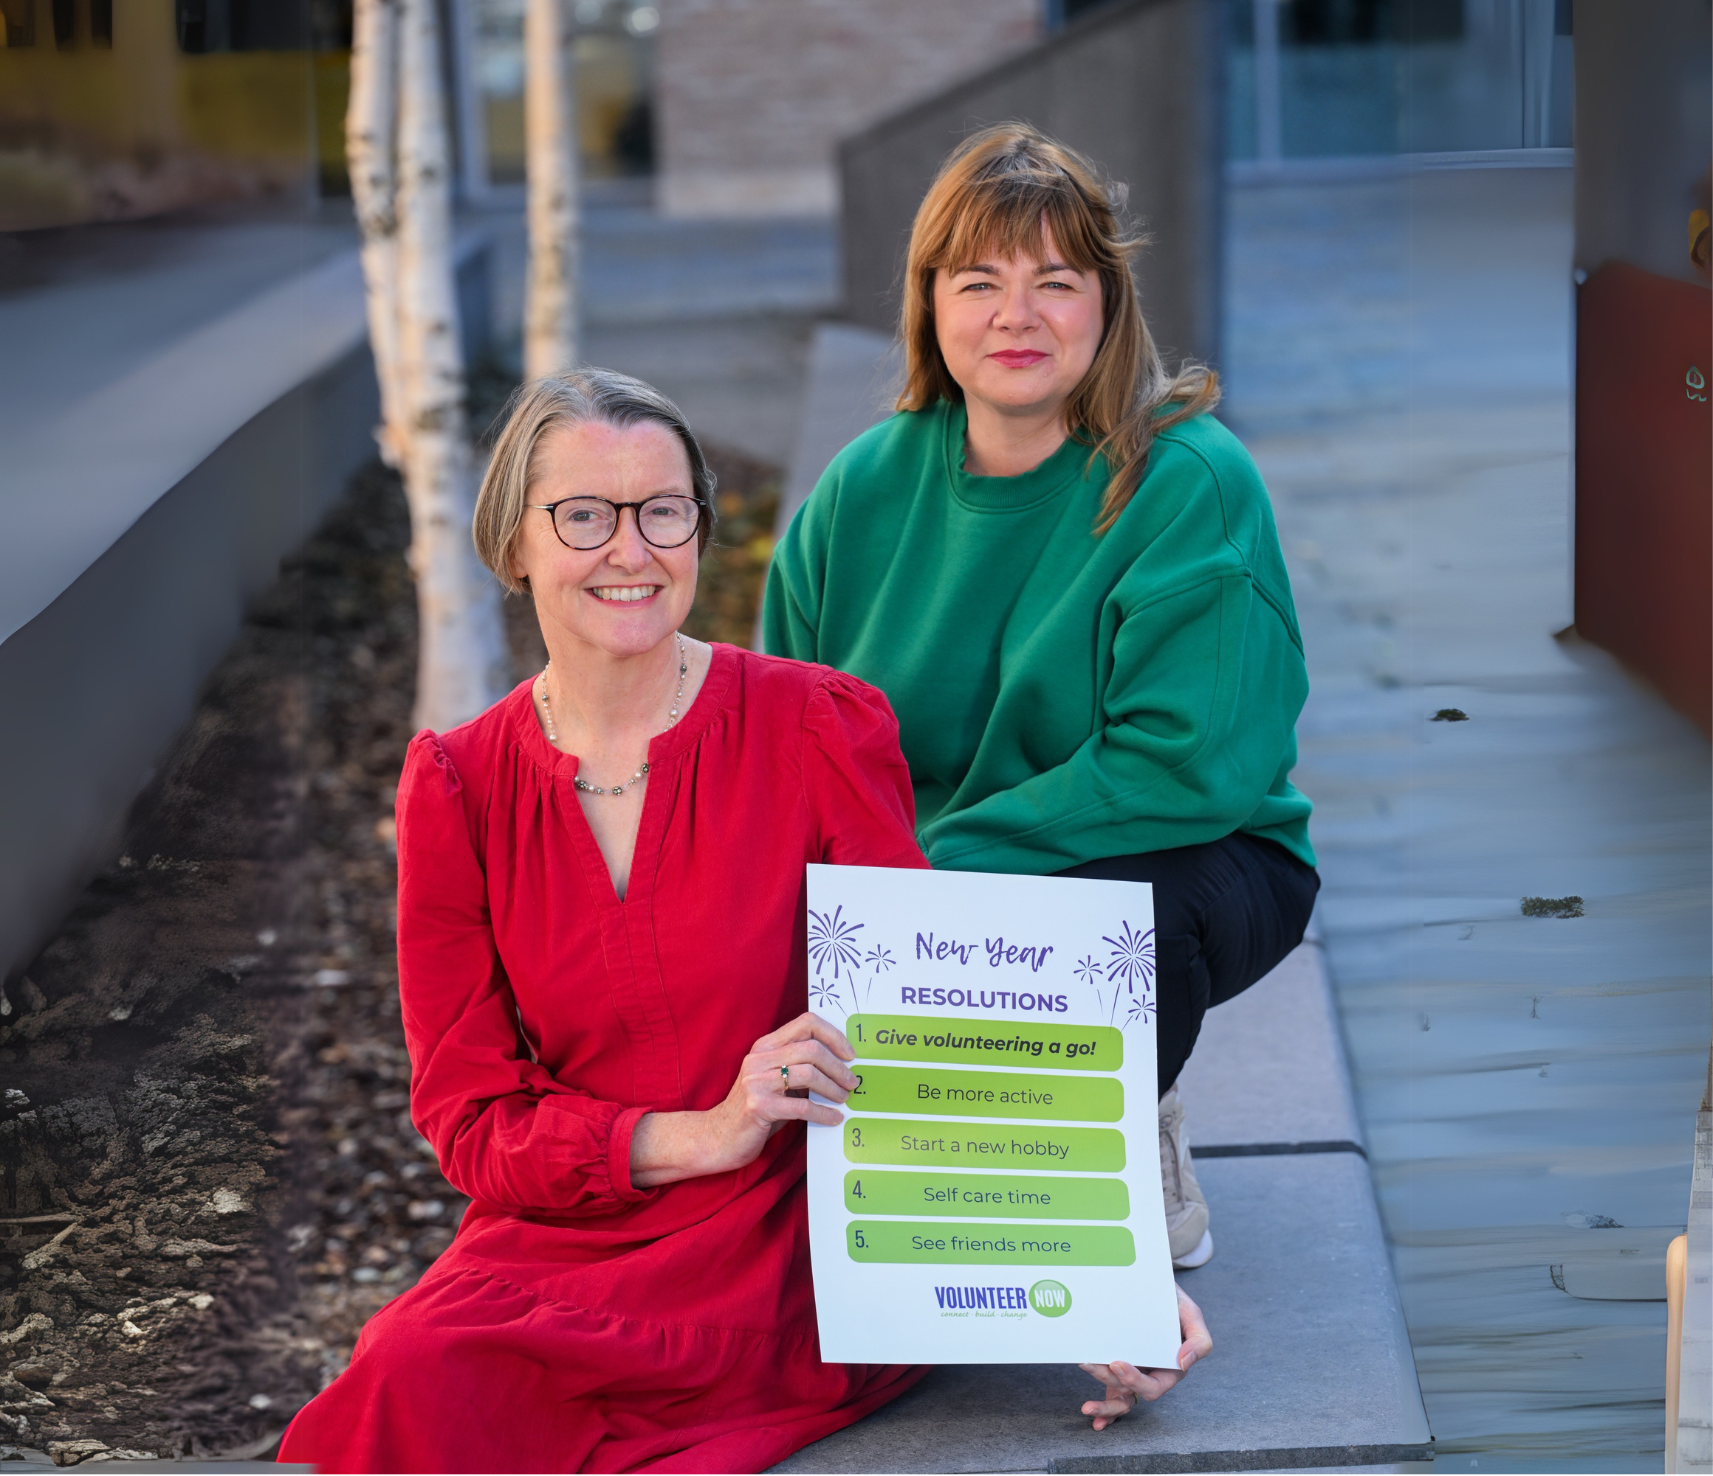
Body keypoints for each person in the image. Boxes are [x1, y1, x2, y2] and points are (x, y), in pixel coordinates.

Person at [278, 368, 1212, 1474]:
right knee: (405, 1376)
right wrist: (702, 1131)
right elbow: (471, 1115)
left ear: (700, 529)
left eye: (662, 510)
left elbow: (936, 1019)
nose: (630, 550)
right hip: (579, 1227)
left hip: (797, 1234)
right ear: (514, 542)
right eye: (583, 515)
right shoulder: (458, 786)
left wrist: (1082, 1284)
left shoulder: (814, 725)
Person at [763, 124, 1319, 1273]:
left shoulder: (1191, 483)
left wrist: (932, 866)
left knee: (1125, 921)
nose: (1017, 316)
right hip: (921, 874)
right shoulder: (863, 489)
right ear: (933, 307)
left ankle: (1130, 1125)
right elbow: (783, 736)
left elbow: (1184, 766)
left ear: (1106, 304)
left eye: (1054, 282)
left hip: (1188, 858)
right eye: (980, 283)